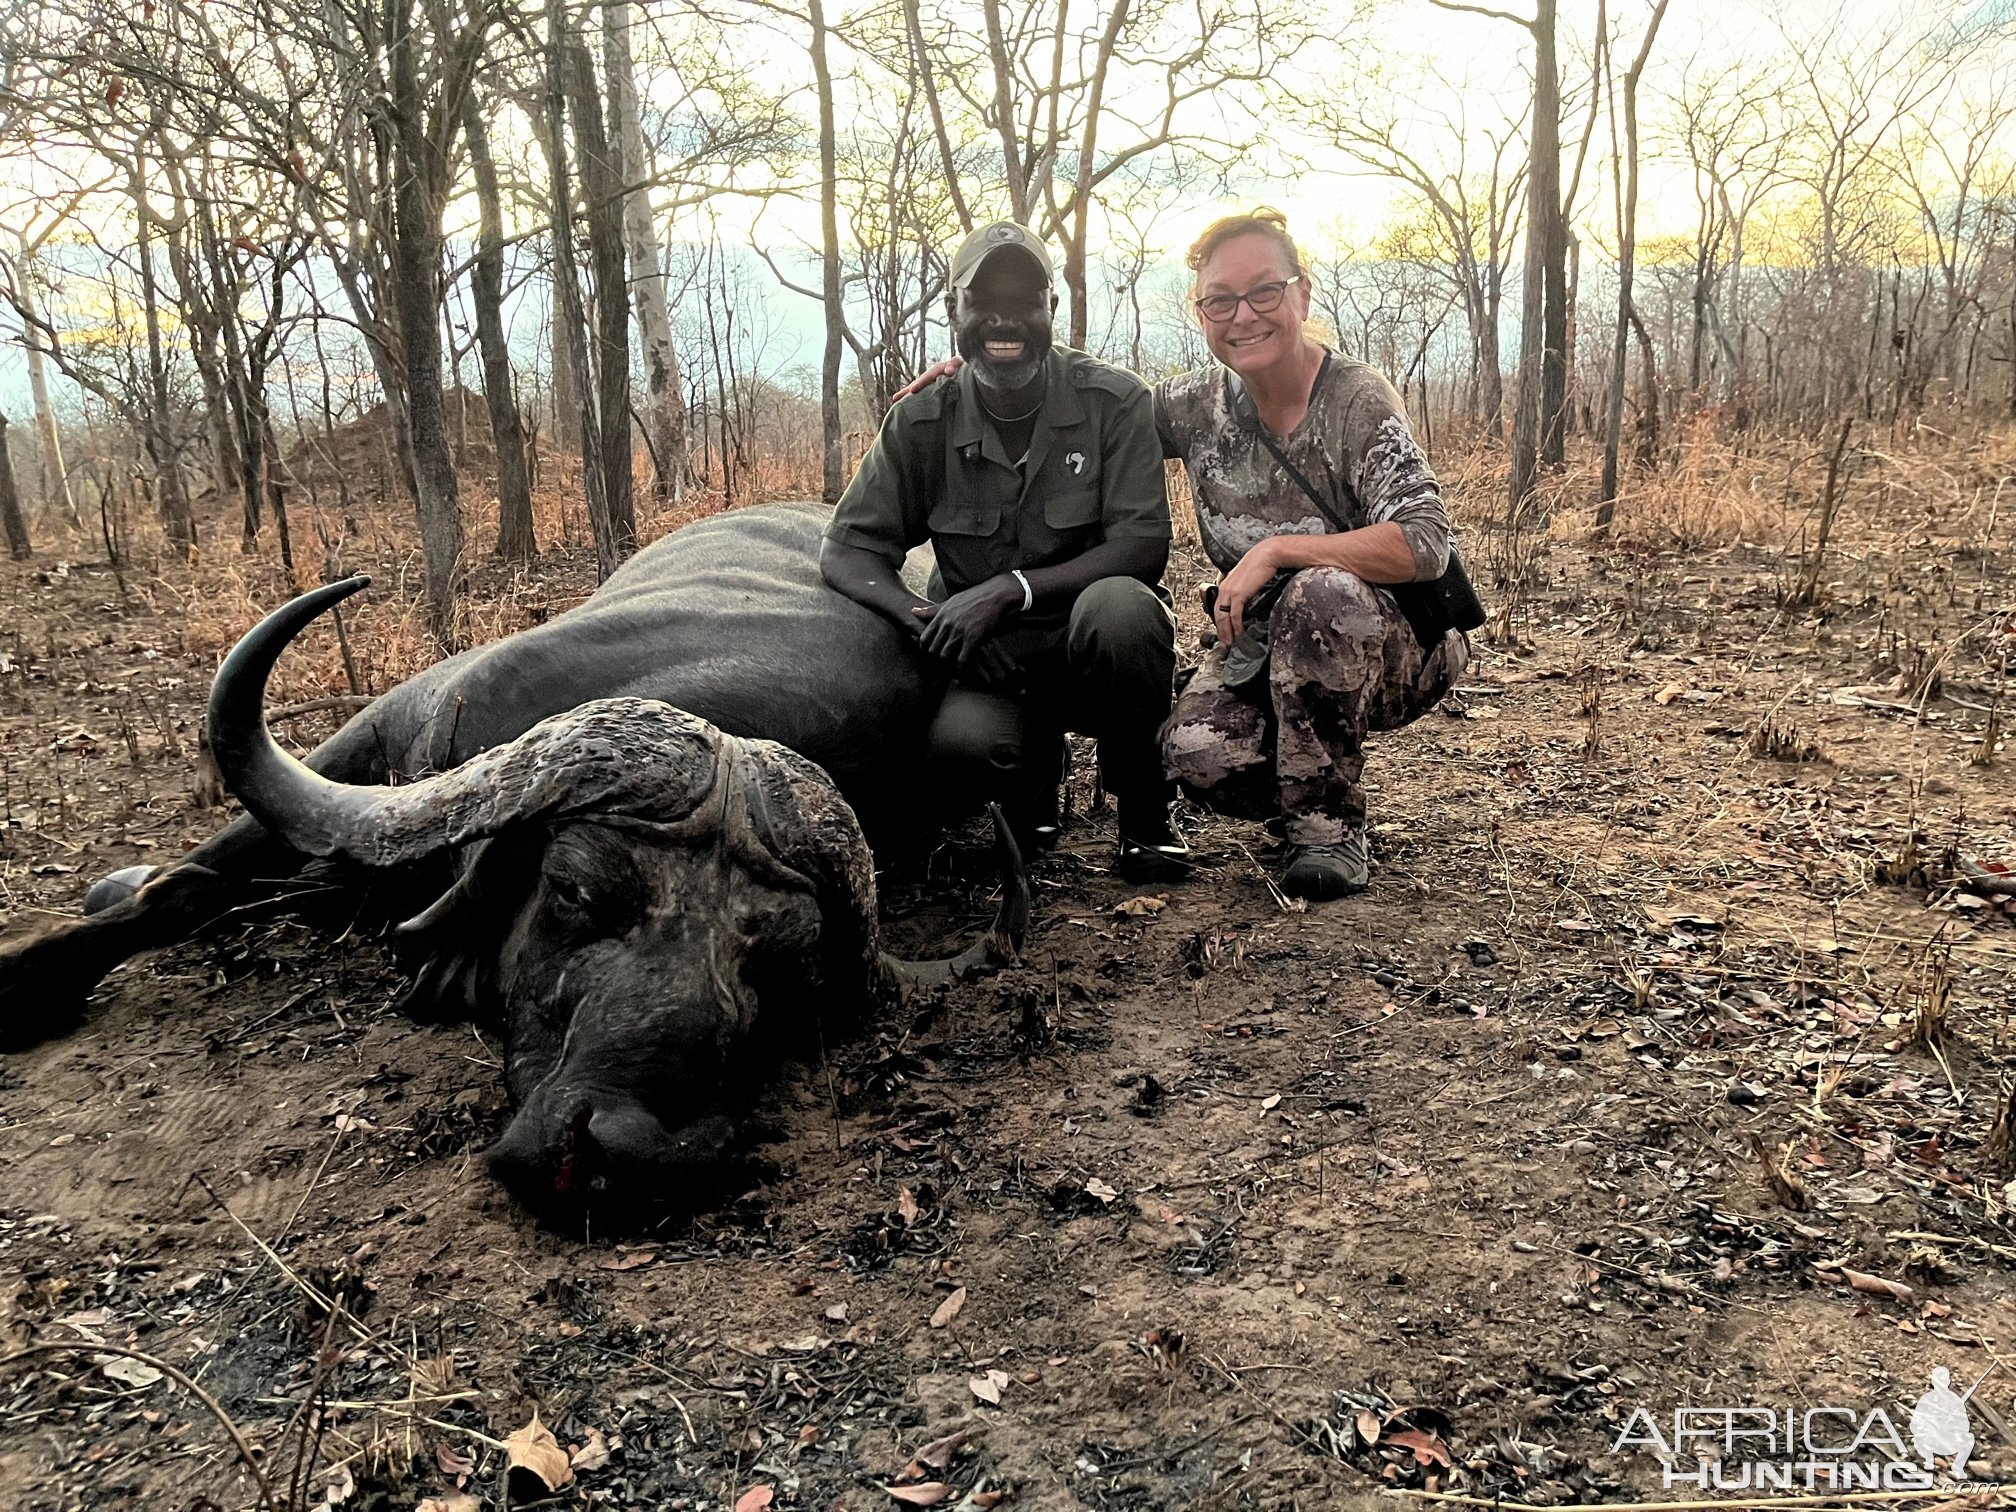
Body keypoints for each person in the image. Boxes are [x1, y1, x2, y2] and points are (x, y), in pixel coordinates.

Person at [891, 210, 1470, 900]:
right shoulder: (1193, 406)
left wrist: (1278, 551)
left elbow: (1426, 542)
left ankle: (1327, 827)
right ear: (1201, 313)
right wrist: (984, 371)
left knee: (1321, 588)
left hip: (1395, 643)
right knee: (1195, 754)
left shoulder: (1355, 399)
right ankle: (1295, 786)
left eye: (1264, 292)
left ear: (1303, 295)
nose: (1244, 316)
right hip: (1268, 647)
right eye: (1220, 300)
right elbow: (1091, 403)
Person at [820, 220, 1189, 881]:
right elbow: (848, 552)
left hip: (1090, 645)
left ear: (1050, 309)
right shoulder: (921, 418)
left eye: (1024, 301)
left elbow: (1142, 547)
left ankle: (1145, 817)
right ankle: (1032, 786)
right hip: (988, 661)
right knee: (962, 751)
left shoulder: (1114, 400)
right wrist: (926, 620)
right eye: (982, 301)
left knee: (1125, 612)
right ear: (953, 311)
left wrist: (1007, 590)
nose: (1003, 319)